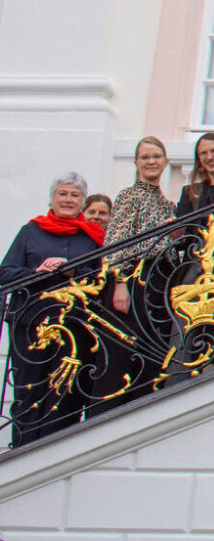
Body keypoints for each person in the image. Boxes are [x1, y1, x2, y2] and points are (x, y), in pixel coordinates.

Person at [2, 173, 103, 444]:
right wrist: (37, 271)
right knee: (29, 390)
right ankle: (22, 453)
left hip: (74, 327)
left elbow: (99, 279)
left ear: (82, 202)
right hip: (31, 324)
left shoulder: (92, 236)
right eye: (63, 194)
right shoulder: (30, 231)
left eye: (74, 195)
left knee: (66, 394)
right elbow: (6, 273)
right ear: (52, 198)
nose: (68, 200)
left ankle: (55, 453)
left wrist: (73, 270)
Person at [107, 137, 175, 317]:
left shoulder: (168, 205)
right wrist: (120, 284)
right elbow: (116, 242)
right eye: (145, 157)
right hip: (136, 277)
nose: (151, 162)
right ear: (136, 162)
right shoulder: (129, 196)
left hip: (161, 278)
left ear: (165, 162)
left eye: (156, 156)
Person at [177, 132, 214, 217]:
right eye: (203, 153)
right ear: (198, 160)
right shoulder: (190, 193)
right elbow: (183, 227)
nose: (209, 157)